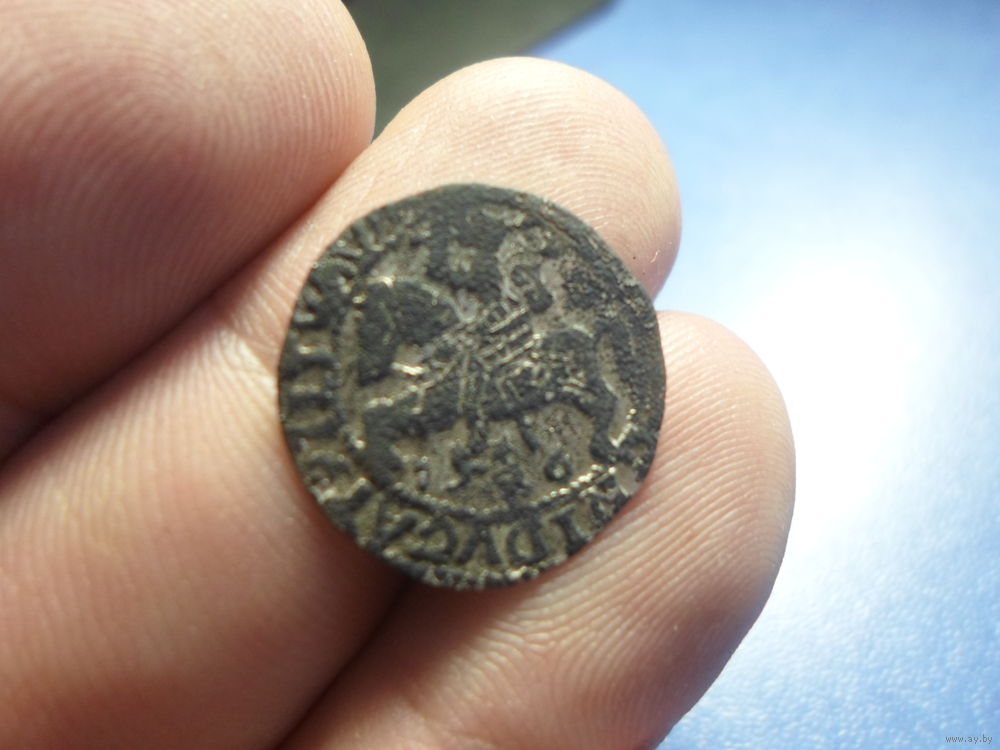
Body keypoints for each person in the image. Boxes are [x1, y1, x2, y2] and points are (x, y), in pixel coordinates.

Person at [0, 2, 794, 748]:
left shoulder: (515, 296)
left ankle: (484, 429)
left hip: (496, 354)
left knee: (471, 382)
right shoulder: (442, 300)